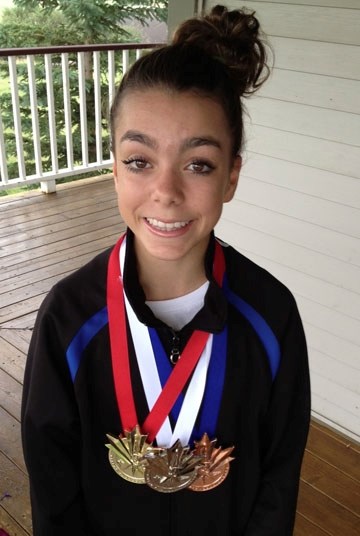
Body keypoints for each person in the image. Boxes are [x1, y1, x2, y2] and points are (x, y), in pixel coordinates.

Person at [21, 4, 310, 535]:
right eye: (139, 161)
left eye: (198, 164)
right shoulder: (68, 317)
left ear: (231, 177)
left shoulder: (272, 315)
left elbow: (278, 477)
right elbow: (53, 488)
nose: (167, 192)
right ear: (113, 169)